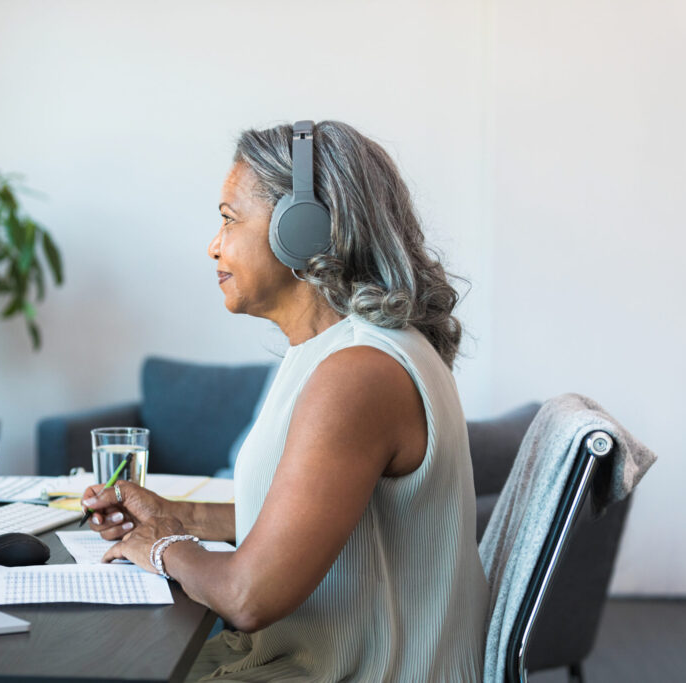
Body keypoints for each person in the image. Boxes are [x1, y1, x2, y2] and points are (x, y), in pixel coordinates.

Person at [82, 121, 488, 681]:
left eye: (229, 218)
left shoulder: (357, 376)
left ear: (302, 229)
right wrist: (177, 514)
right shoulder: (342, 351)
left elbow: (249, 596)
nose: (213, 245)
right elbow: (302, 525)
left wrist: (162, 546)